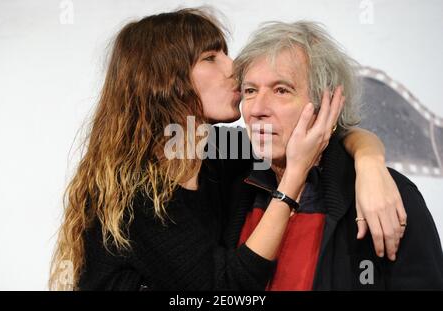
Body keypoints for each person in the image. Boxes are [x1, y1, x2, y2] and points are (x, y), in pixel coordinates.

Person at [49, 9, 406, 291]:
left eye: (224, 52)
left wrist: (371, 162)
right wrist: (294, 177)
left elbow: (323, 135)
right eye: (210, 57)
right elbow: (226, 289)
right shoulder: (135, 191)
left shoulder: (216, 154)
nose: (232, 68)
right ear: (165, 82)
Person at [233, 20, 443, 290]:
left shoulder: (386, 196)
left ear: (326, 105)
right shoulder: (228, 180)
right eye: (250, 91)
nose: (257, 109)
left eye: (281, 90)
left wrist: (369, 161)